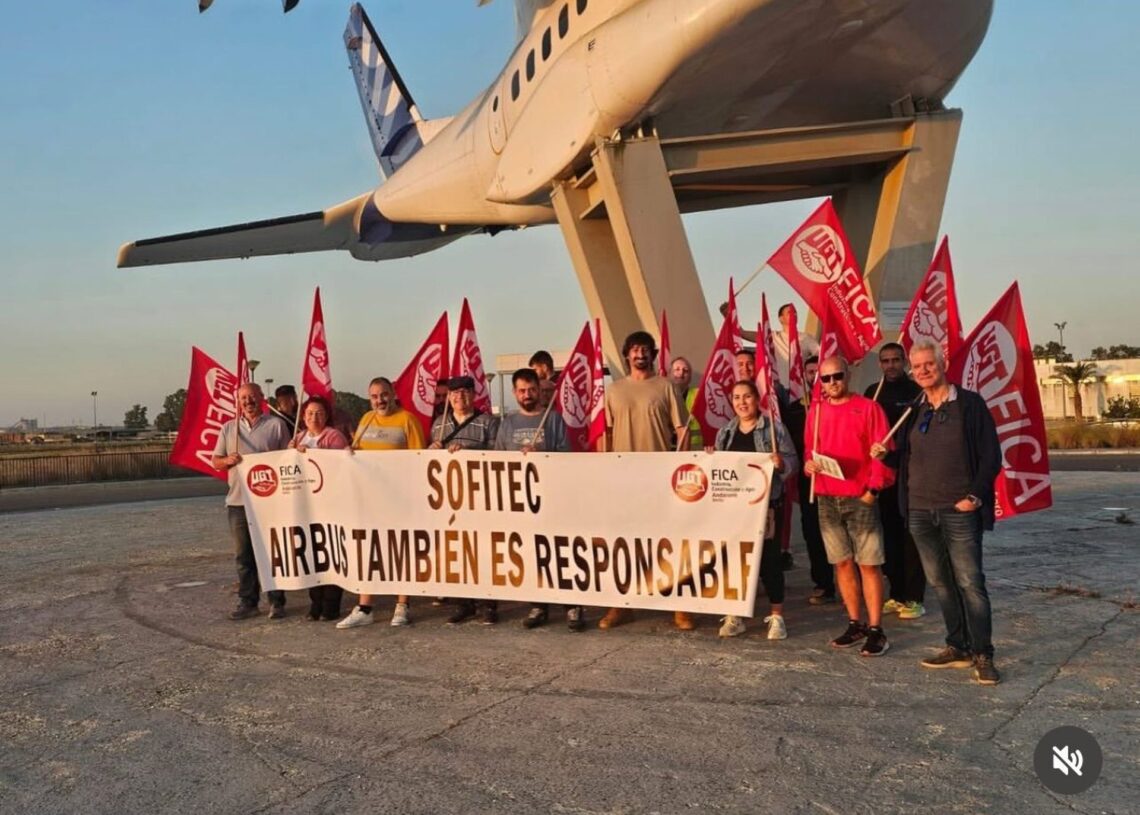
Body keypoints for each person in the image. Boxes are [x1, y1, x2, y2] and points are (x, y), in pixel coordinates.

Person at [871, 339, 1003, 685]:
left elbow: (991, 456)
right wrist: (887, 453)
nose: (923, 371)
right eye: (918, 366)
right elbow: (908, 458)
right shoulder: (915, 409)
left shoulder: (969, 405)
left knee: (970, 583)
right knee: (941, 584)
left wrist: (974, 496)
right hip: (919, 511)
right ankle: (957, 645)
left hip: (958, 510)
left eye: (929, 364)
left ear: (942, 364)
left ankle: (982, 654)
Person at [803, 355, 893, 656]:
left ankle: (877, 629)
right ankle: (855, 623)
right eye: (825, 379)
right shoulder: (815, 411)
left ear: (848, 375)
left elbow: (883, 453)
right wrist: (809, 465)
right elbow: (808, 451)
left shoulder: (869, 408)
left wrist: (873, 490)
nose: (831, 383)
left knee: (868, 564)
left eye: (836, 376)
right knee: (842, 562)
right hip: (827, 497)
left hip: (860, 497)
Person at [600, 330, 688, 630]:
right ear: (626, 355)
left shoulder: (666, 387)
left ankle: (678, 604)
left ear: (652, 354)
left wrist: (682, 470)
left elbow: (681, 430)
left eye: (645, 349)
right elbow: (606, 435)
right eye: (634, 349)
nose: (640, 354)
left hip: (661, 478)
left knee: (668, 541)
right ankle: (622, 605)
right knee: (624, 543)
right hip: (624, 480)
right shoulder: (613, 390)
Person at [494, 369, 583, 632]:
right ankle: (539, 604)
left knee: (560, 551)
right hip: (522, 501)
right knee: (533, 553)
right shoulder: (507, 423)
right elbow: (498, 459)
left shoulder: (553, 420)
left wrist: (541, 455)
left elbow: (565, 456)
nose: (527, 395)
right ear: (514, 393)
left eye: (531, 389)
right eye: (521, 390)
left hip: (552, 498)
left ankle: (572, 605)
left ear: (538, 389)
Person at [337, 377, 426, 629]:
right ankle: (365, 608)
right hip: (371, 500)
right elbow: (358, 454)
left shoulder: (408, 420)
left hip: (400, 499)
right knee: (369, 550)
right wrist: (349, 454)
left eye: (384, 394)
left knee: (400, 551)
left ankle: (402, 605)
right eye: (375, 396)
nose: (380, 400)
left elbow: (420, 459)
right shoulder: (366, 420)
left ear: (393, 393)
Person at [714, 380, 799, 639]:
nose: (742, 402)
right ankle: (736, 615)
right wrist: (710, 458)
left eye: (747, 396)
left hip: (767, 508)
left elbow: (794, 462)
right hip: (734, 509)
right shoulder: (725, 433)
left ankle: (776, 616)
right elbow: (719, 467)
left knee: (770, 562)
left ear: (756, 399)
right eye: (737, 397)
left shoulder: (774, 429)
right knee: (735, 561)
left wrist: (781, 463)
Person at [210, 383, 291, 621]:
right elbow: (215, 461)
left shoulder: (276, 425)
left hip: (270, 502)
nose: (248, 401)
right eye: (243, 398)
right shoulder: (229, 428)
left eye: (252, 397)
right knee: (243, 556)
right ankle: (248, 601)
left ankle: (277, 601)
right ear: (238, 402)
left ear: (262, 398)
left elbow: (287, 458)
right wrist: (227, 460)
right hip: (238, 502)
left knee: (273, 553)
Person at [430, 376, 501, 624]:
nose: (460, 397)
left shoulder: (488, 422)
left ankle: (488, 603)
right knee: (457, 550)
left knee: (483, 548)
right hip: (451, 498)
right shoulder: (439, 424)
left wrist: (468, 454)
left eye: (465, 392)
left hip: (479, 495)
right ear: (449, 397)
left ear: (473, 394)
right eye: (455, 393)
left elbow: (497, 455)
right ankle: (464, 602)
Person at [864, 343, 926, 621]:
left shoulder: (916, 393)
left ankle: (914, 597)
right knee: (887, 537)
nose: (891, 365)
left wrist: (895, 451)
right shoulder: (872, 392)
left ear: (904, 362)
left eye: (895, 360)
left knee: (909, 538)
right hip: (880, 477)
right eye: (885, 361)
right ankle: (897, 592)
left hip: (908, 477)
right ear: (880, 364)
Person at [289, 395, 350, 622]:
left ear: (326, 416)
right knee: (311, 555)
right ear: (303, 417)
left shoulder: (334, 436)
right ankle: (315, 602)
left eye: (319, 413)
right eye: (310, 413)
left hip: (331, 505)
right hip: (307, 506)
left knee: (331, 553)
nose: (315, 417)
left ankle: (331, 604)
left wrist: (311, 454)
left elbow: (338, 464)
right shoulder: (298, 437)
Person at [784, 356, 836, 605]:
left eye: (819, 372)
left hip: (837, 481)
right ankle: (823, 583)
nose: (814, 377)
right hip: (809, 483)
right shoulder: (794, 408)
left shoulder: (836, 405)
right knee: (813, 534)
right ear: (803, 375)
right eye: (810, 372)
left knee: (840, 534)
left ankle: (851, 583)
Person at [772, 303, 820, 385]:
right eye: (790, 312)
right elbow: (755, 336)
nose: (794, 314)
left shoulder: (806, 337)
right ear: (781, 319)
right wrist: (742, 332)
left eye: (795, 312)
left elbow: (819, 354)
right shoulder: (774, 336)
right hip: (780, 386)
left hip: (800, 386)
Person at [670, 356, 702, 450]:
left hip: (692, 450)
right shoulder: (661, 395)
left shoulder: (699, 395)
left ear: (690, 376)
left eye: (686, 370)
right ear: (670, 373)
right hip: (666, 451)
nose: (681, 373)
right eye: (677, 369)